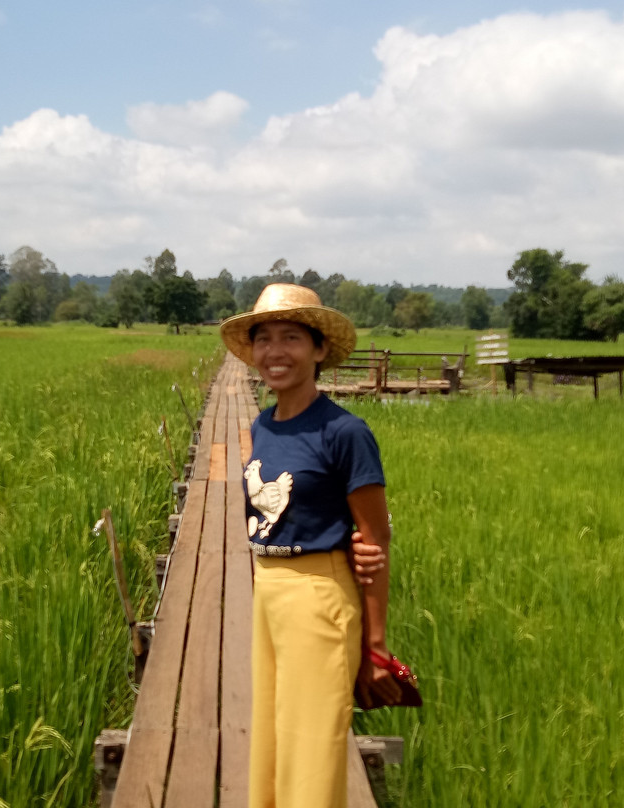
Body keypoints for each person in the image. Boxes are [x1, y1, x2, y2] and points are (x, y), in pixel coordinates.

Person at [220, 283, 401, 808]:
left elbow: (375, 538)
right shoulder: (263, 424)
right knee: (273, 740)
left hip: (320, 597)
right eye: (265, 339)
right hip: (269, 593)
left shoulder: (344, 433)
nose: (275, 352)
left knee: (312, 751)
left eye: (292, 338)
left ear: (319, 350)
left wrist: (376, 647)